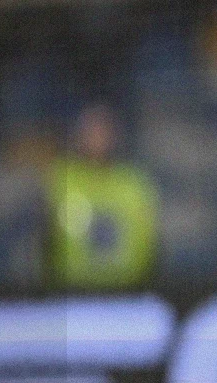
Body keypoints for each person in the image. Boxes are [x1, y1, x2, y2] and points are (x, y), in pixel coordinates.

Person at [46, 104, 159, 290]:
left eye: (103, 131)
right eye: (91, 131)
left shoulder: (134, 184)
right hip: (70, 292)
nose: (97, 138)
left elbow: (150, 244)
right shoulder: (60, 179)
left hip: (127, 293)